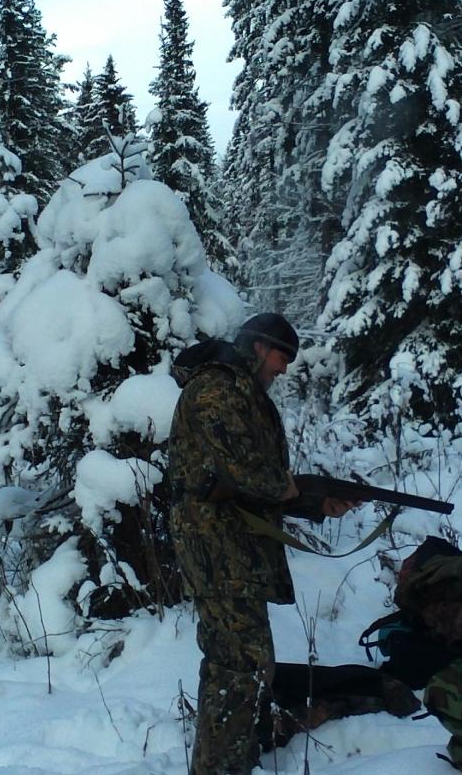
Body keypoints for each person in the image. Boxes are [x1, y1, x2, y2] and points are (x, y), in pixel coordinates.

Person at [166, 313, 356, 775]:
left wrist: (317, 503)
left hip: (232, 550)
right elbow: (244, 471)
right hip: (216, 552)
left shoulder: (243, 393)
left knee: (238, 663)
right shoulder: (216, 390)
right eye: (281, 357)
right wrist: (292, 487)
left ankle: (230, 758)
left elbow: (254, 488)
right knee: (242, 663)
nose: (284, 368)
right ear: (258, 347)